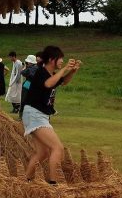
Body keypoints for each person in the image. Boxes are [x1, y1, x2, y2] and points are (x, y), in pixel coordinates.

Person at [22, 45, 81, 185]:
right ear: (51, 59)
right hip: (34, 114)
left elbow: (63, 82)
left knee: (42, 153)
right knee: (57, 148)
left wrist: (72, 71)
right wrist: (64, 69)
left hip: (38, 114)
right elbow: (48, 84)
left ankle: (25, 181)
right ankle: (53, 183)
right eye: (60, 59)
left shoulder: (52, 74)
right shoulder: (41, 72)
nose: (62, 61)